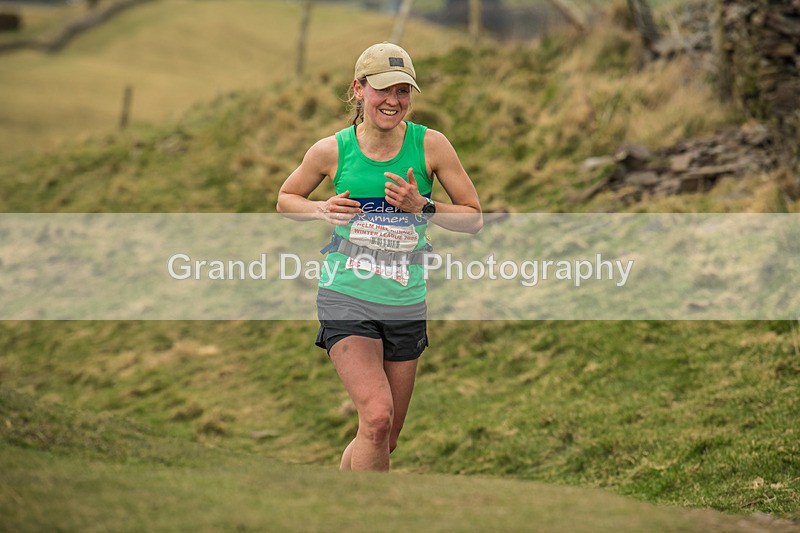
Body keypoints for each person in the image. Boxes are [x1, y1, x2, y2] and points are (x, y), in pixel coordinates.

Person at [277, 42, 481, 472]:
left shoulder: (432, 146)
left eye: (403, 91)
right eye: (383, 89)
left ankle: (341, 504)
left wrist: (422, 207)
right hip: (346, 293)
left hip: (406, 299)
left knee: (383, 439)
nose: (393, 101)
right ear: (359, 89)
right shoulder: (332, 150)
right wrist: (320, 208)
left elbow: (473, 218)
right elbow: (286, 198)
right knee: (376, 415)